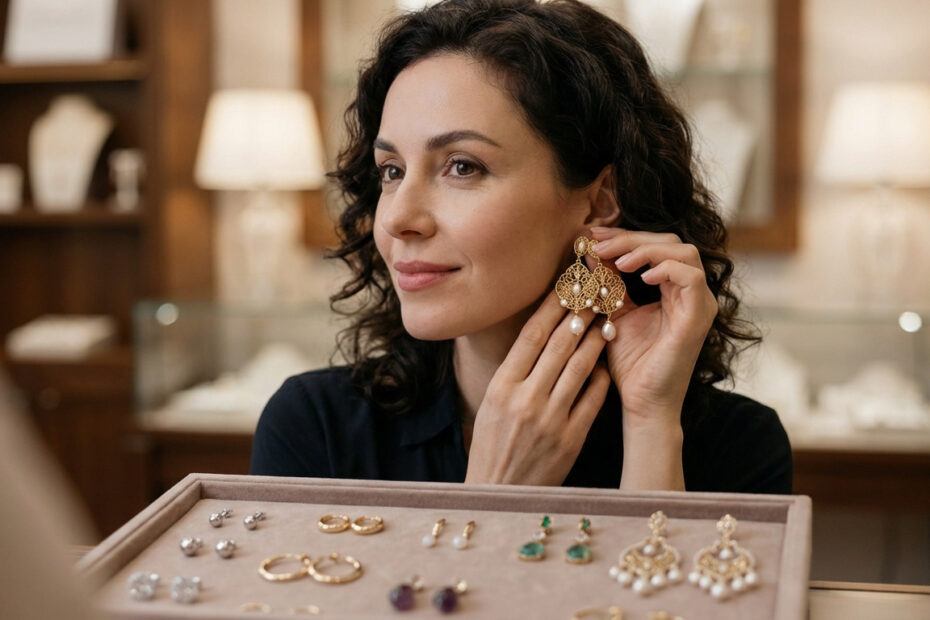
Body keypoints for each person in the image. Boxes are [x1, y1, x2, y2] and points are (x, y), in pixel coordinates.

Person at [251, 0, 792, 494]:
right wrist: (494, 494)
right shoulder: (315, 428)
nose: (397, 218)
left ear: (600, 201)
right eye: (391, 170)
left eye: (462, 166)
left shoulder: (736, 445)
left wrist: (651, 425)